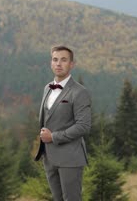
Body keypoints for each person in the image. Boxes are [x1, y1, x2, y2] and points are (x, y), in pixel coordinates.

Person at [34, 45, 92, 201]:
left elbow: (83, 126)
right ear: (51, 63)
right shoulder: (47, 88)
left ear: (71, 64)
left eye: (63, 60)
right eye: (55, 59)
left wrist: (53, 137)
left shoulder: (80, 92)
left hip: (70, 158)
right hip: (49, 157)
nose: (58, 64)